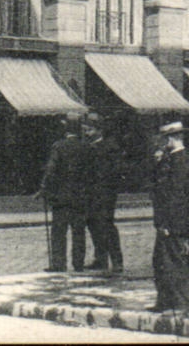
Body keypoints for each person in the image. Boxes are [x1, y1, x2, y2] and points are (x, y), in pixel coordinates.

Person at [150, 120, 189, 314]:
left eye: (165, 138)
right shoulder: (171, 158)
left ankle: (180, 303)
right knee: (161, 261)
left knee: (173, 261)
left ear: (173, 138)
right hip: (166, 220)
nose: (162, 142)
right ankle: (166, 301)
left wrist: (167, 223)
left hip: (172, 221)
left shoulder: (180, 160)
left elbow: (176, 195)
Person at [38, 115, 88, 271]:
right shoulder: (85, 147)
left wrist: (44, 188)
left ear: (66, 130)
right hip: (80, 196)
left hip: (61, 197)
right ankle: (78, 263)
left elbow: (50, 171)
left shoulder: (58, 146)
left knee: (59, 231)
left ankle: (59, 264)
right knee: (78, 231)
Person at [81, 112, 123, 274]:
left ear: (99, 130)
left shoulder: (110, 147)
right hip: (91, 195)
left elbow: (115, 172)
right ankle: (101, 259)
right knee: (93, 225)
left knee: (107, 226)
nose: (87, 133)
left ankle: (117, 261)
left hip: (105, 195)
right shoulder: (88, 147)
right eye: (85, 129)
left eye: (90, 129)